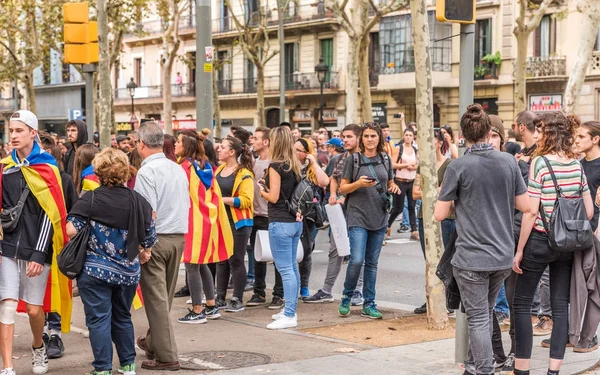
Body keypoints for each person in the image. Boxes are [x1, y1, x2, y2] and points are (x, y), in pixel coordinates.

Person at [434, 104, 529, 375]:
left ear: (463, 135)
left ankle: (483, 370)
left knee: (477, 318)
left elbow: (440, 214)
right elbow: (524, 204)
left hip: (472, 257)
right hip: (502, 255)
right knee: (485, 314)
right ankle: (476, 366)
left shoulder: (458, 165)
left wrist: (460, 202)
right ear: (489, 133)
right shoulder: (508, 162)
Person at [512, 113, 593, 375]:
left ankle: (522, 370)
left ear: (547, 134)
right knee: (560, 306)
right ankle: (553, 371)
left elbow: (531, 211)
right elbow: (589, 212)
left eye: (540, 131)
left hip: (539, 239)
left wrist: (520, 249)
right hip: (567, 244)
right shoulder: (576, 165)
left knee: (522, 303)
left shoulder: (539, 163)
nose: (536, 135)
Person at [68, 148, 157, 375]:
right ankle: (128, 365)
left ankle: (102, 368)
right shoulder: (139, 201)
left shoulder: (91, 198)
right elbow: (149, 238)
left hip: (94, 271)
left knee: (98, 320)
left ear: (98, 172)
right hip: (127, 271)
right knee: (122, 316)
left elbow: (70, 230)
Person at [0, 110, 72, 375]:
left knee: (33, 309)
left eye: (19, 130)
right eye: (11, 131)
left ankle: (37, 344)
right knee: (6, 305)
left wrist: (38, 253)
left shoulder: (47, 168)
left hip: (36, 249)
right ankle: (7, 367)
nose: (14, 136)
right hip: (7, 247)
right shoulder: (5, 167)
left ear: (33, 132)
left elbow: (50, 215)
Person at [134, 121, 190, 371]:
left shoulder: (147, 172)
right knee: (163, 297)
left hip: (156, 238)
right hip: (177, 236)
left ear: (141, 144)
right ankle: (154, 342)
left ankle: (167, 355)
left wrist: (143, 245)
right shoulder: (177, 168)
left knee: (157, 300)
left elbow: (147, 213)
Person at [338, 123, 400, 319]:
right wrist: (358, 184)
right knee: (356, 260)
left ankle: (369, 303)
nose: (370, 139)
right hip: (357, 214)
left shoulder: (385, 159)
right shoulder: (353, 160)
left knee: (372, 263)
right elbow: (343, 188)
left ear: (379, 138)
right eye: (366, 136)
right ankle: (347, 296)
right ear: (361, 139)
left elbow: (389, 182)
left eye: (373, 136)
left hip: (380, 215)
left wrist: (394, 187)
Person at [304, 124, 365, 305]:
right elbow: (334, 178)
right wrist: (333, 195)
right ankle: (327, 290)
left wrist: (345, 196)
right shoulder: (339, 158)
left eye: (349, 137)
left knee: (357, 253)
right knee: (335, 250)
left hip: (359, 212)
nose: (344, 140)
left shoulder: (363, 159)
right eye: (343, 137)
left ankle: (358, 291)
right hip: (340, 212)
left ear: (358, 138)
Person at [175, 130, 230, 323]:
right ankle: (211, 305)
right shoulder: (205, 165)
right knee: (202, 263)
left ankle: (197, 310)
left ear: (187, 146)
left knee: (191, 264)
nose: (175, 144)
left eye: (179, 141)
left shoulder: (184, 167)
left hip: (191, 220)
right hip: (208, 219)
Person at [37, 132, 78, 360]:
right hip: (33, 243)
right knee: (36, 290)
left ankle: (55, 333)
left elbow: (74, 212)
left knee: (56, 288)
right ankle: (41, 332)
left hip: (58, 243)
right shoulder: (22, 174)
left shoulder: (63, 179)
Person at [258, 127, 303, 329]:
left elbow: (274, 197)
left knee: (285, 269)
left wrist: (262, 191)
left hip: (280, 221)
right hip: (295, 221)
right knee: (292, 268)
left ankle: (290, 314)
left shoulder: (275, 166)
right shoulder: (294, 165)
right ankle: (289, 310)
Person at [412, 128, 453, 315]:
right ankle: (431, 297)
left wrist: (431, 191)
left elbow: (447, 193)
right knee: (429, 260)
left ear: (439, 142)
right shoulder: (423, 166)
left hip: (446, 218)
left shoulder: (450, 165)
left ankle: (448, 299)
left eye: (430, 140)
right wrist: (435, 191)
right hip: (424, 217)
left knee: (445, 260)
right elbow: (415, 193)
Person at [246, 127, 285, 309]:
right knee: (258, 256)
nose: (252, 141)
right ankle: (258, 292)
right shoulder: (253, 163)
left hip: (273, 215)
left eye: (256, 138)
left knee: (277, 256)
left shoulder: (275, 163)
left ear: (266, 142)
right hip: (255, 215)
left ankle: (279, 294)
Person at [215, 136, 254, 312]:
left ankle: (237, 299)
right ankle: (220, 297)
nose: (218, 149)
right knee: (222, 260)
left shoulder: (244, 173)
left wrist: (221, 200)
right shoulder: (218, 170)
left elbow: (246, 200)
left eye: (222, 147)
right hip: (221, 221)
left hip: (239, 223)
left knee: (236, 260)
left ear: (232, 152)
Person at [294, 138, 329, 299]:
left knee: (306, 250)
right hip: (292, 214)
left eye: (299, 150)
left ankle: (304, 286)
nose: (295, 153)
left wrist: (313, 163)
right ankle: (291, 286)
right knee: (292, 252)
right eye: (294, 149)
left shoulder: (312, 168)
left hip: (310, 216)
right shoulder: (290, 167)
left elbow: (324, 182)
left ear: (306, 153)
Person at [388, 127, 419, 241]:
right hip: (400, 180)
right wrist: (405, 166)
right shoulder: (399, 148)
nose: (408, 137)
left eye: (410, 135)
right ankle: (388, 225)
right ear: (403, 136)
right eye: (406, 135)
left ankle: (414, 231)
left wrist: (413, 167)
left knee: (412, 206)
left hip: (411, 181)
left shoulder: (415, 149)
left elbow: (416, 164)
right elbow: (392, 164)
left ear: (413, 137)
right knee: (398, 208)